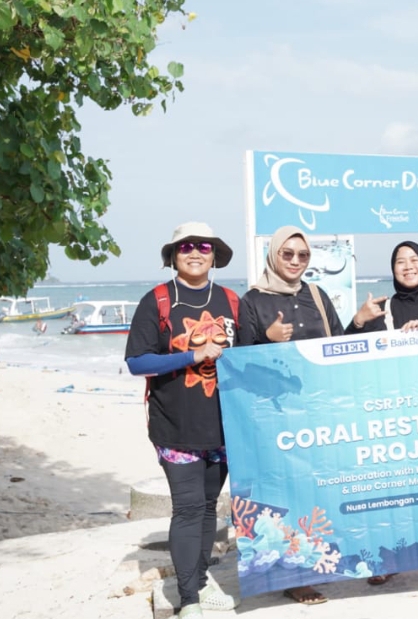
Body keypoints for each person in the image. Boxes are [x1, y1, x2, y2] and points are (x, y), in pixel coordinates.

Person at [125, 222, 240, 619]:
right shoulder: (157, 300)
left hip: (223, 427)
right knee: (189, 508)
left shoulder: (231, 300)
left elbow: (248, 356)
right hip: (174, 426)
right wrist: (192, 355)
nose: (195, 251)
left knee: (210, 507)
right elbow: (137, 362)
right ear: (174, 255)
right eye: (185, 246)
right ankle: (188, 599)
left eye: (203, 245)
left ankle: (202, 581)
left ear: (214, 254)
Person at [236, 225, 347, 605]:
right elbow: (238, 363)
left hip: (317, 409)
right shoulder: (251, 301)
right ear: (272, 254)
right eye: (288, 253)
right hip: (275, 414)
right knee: (285, 488)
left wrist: (363, 322)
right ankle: (295, 575)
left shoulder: (317, 294)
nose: (296, 261)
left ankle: (324, 559)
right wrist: (266, 339)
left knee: (319, 483)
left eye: (303, 255)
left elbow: (339, 346)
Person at [347, 240, 418, 587]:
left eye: (414, 260)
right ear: (392, 270)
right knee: (393, 491)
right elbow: (350, 357)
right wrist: (358, 322)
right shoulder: (381, 308)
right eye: (399, 262)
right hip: (391, 413)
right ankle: (391, 558)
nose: (408, 266)